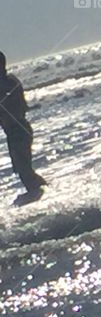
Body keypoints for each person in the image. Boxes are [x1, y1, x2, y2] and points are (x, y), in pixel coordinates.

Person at [0, 51, 48, 206]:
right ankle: (40, 191)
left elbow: (13, 107)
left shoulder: (7, 84)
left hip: (18, 130)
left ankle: (37, 193)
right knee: (22, 167)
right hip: (17, 130)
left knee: (22, 167)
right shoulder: (10, 81)